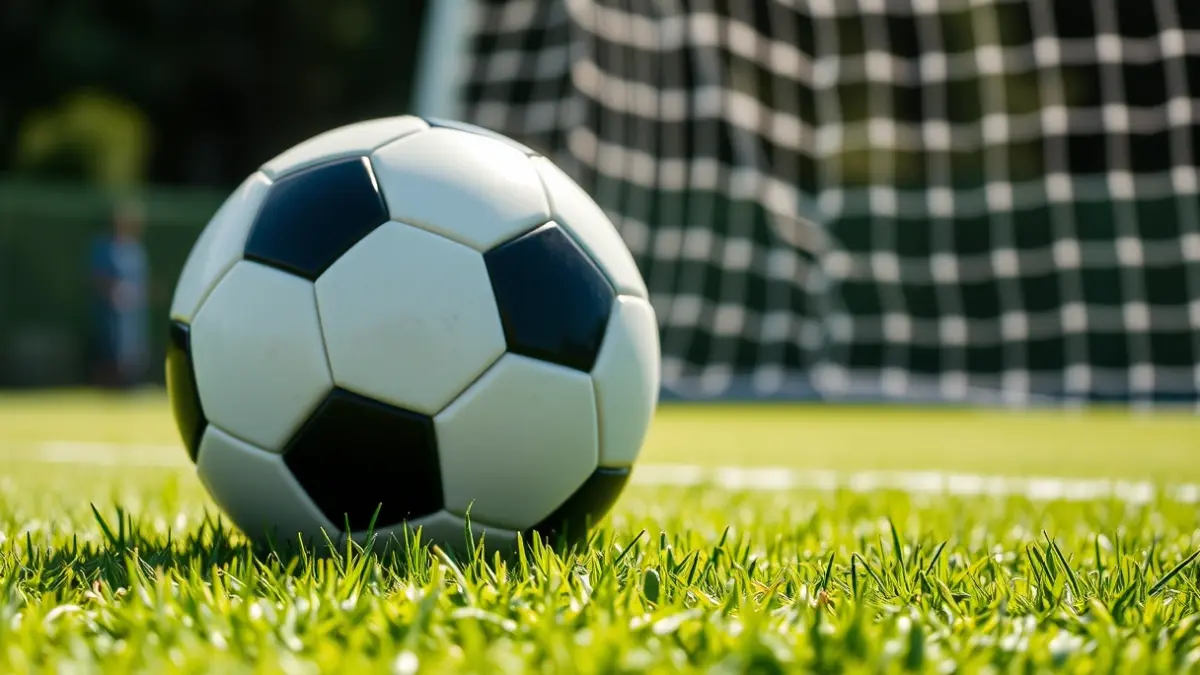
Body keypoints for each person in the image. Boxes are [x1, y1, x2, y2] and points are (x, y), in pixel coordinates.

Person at [89, 200, 150, 388]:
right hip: (108, 312)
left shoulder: (136, 250)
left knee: (133, 348)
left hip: (133, 312)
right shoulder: (103, 247)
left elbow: (142, 281)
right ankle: (107, 386)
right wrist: (114, 291)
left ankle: (130, 385)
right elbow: (96, 277)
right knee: (109, 349)